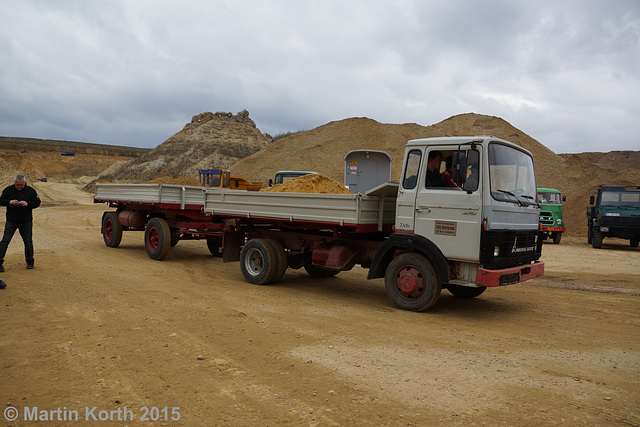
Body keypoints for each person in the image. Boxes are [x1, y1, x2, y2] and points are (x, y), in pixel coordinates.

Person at [0, 174, 41, 271]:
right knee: (5, 241)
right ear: (14, 182)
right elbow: (0, 200)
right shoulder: (8, 190)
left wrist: (27, 204)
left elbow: (37, 202)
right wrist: (9, 202)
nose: (19, 187)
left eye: (21, 185)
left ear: (24, 183)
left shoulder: (30, 191)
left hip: (25, 221)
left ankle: (30, 262)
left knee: (28, 242)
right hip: (11, 220)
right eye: (17, 184)